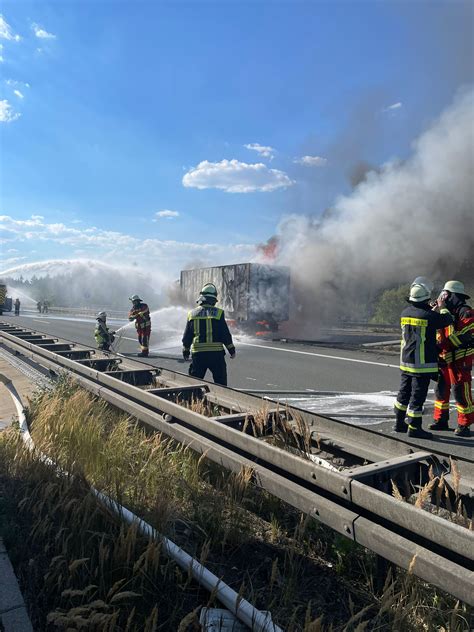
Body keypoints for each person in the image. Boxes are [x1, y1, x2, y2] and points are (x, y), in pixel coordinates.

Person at [394, 281, 453, 439]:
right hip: (421, 365)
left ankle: (399, 423)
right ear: (425, 299)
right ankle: (414, 428)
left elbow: (423, 320)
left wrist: (431, 310)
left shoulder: (405, 312)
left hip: (405, 361)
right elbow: (448, 319)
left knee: (403, 393)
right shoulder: (430, 316)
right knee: (417, 396)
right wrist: (442, 306)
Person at [429, 280, 474, 437]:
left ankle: (464, 424)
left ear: (453, 295)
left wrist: (441, 345)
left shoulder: (466, 312)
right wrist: (434, 310)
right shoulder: (443, 310)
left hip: (461, 359)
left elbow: (464, 336)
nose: (444, 297)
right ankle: (441, 420)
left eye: (446, 294)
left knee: (460, 391)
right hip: (445, 358)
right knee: (441, 390)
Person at [182, 283, 236, 386]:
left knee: (194, 384)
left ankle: (191, 400)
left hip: (198, 355)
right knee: (221, 384)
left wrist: (186, 350)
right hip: (216, 355)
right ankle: (220, 401)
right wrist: (231, 349)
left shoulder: (192, 314)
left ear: (202, 298)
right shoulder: (219, 313)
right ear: (213, 300)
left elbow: (187, 336)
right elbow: (225, 334)